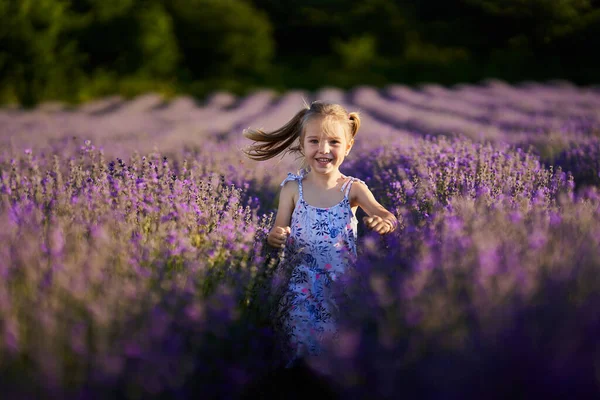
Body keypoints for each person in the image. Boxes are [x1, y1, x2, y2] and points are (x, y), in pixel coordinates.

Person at [243, 101, 398, 370]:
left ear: (348, 147)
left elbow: (387, 215)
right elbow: (278, 229)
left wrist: (385, 222)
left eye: (334, 142)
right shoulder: (292, 189)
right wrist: (275, 237)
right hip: (299, 282)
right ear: (302, 145)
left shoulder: (353, 189)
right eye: (314, 141)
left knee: (335, 346)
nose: (323, 150)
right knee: (299, 341)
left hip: (340, 283)